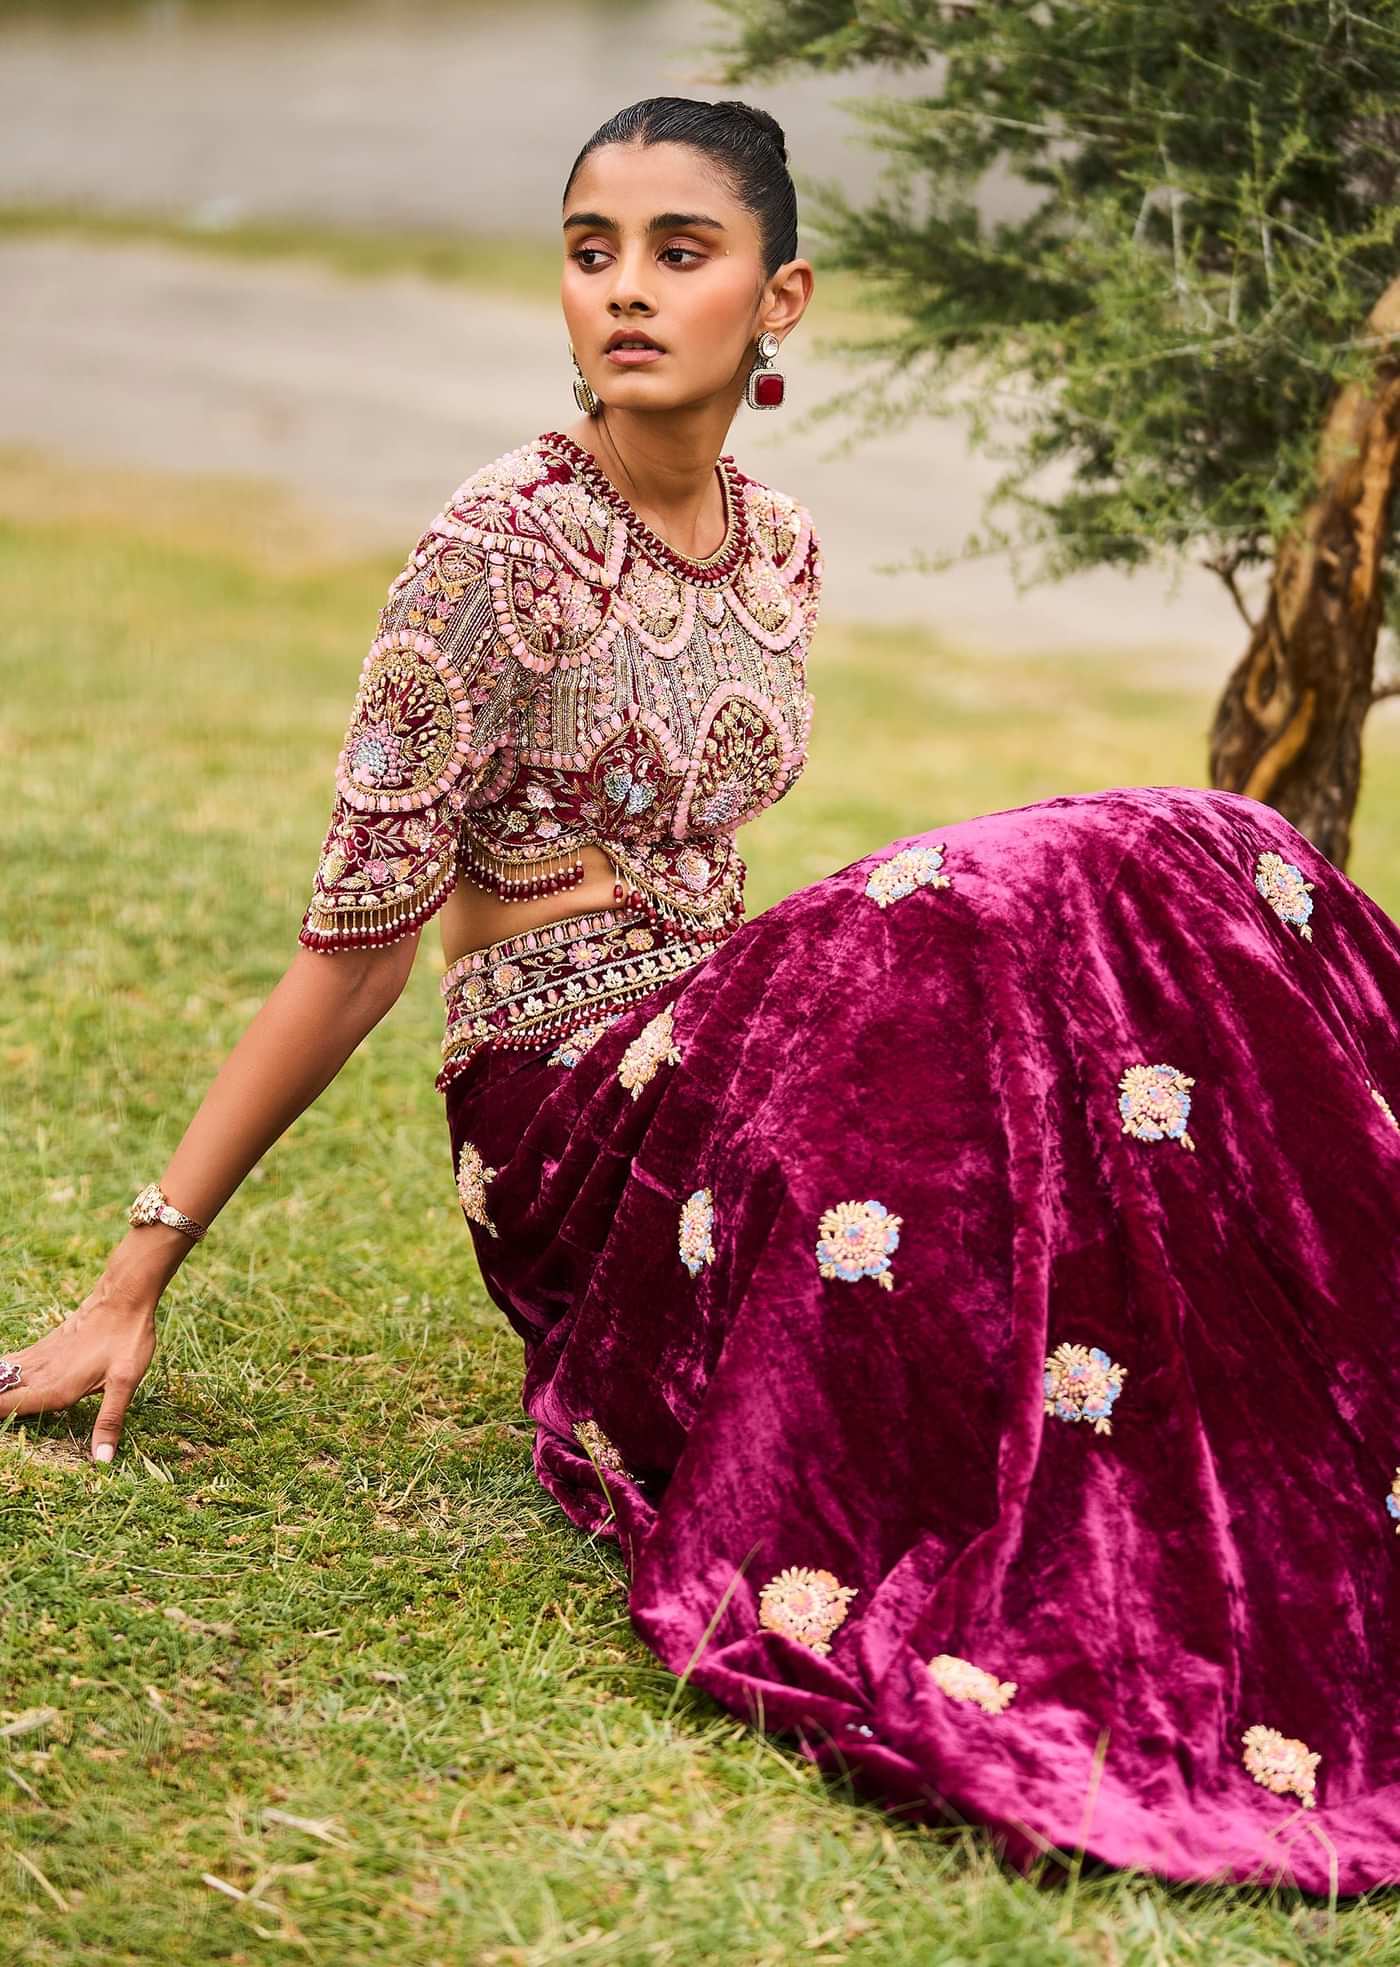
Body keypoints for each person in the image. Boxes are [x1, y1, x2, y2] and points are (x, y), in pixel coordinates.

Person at [8, 94, 1400, 1896]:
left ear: (782, 298)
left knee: (1170, 868)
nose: (628, 294)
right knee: (1038, 879)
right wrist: (136, 1277)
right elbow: (355, 945)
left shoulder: (786, 546)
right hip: (576, 1100)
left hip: (739, 1034)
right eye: (594, 255)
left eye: (683, 253)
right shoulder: (492, 549)